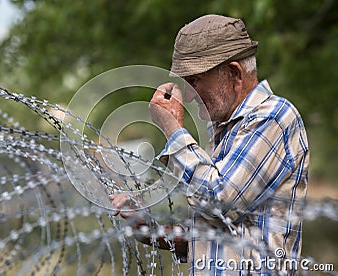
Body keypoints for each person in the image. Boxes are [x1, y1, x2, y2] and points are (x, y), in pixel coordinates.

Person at [110, 14, 309, 275]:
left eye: (195, 81)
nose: (188, 94)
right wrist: (151, 229)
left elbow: (221, 203)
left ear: (233, 73)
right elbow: (219, 235)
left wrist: (173, 130)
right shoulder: (222, 130)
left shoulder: (274, 117)